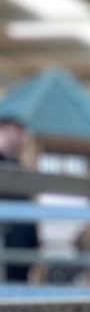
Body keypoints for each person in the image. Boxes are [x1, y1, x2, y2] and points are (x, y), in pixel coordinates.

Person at [0, 116, 39, 283]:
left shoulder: (18, 166)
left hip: (22, 248)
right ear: (4, 130)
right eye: (18, 131)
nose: (23, 137)